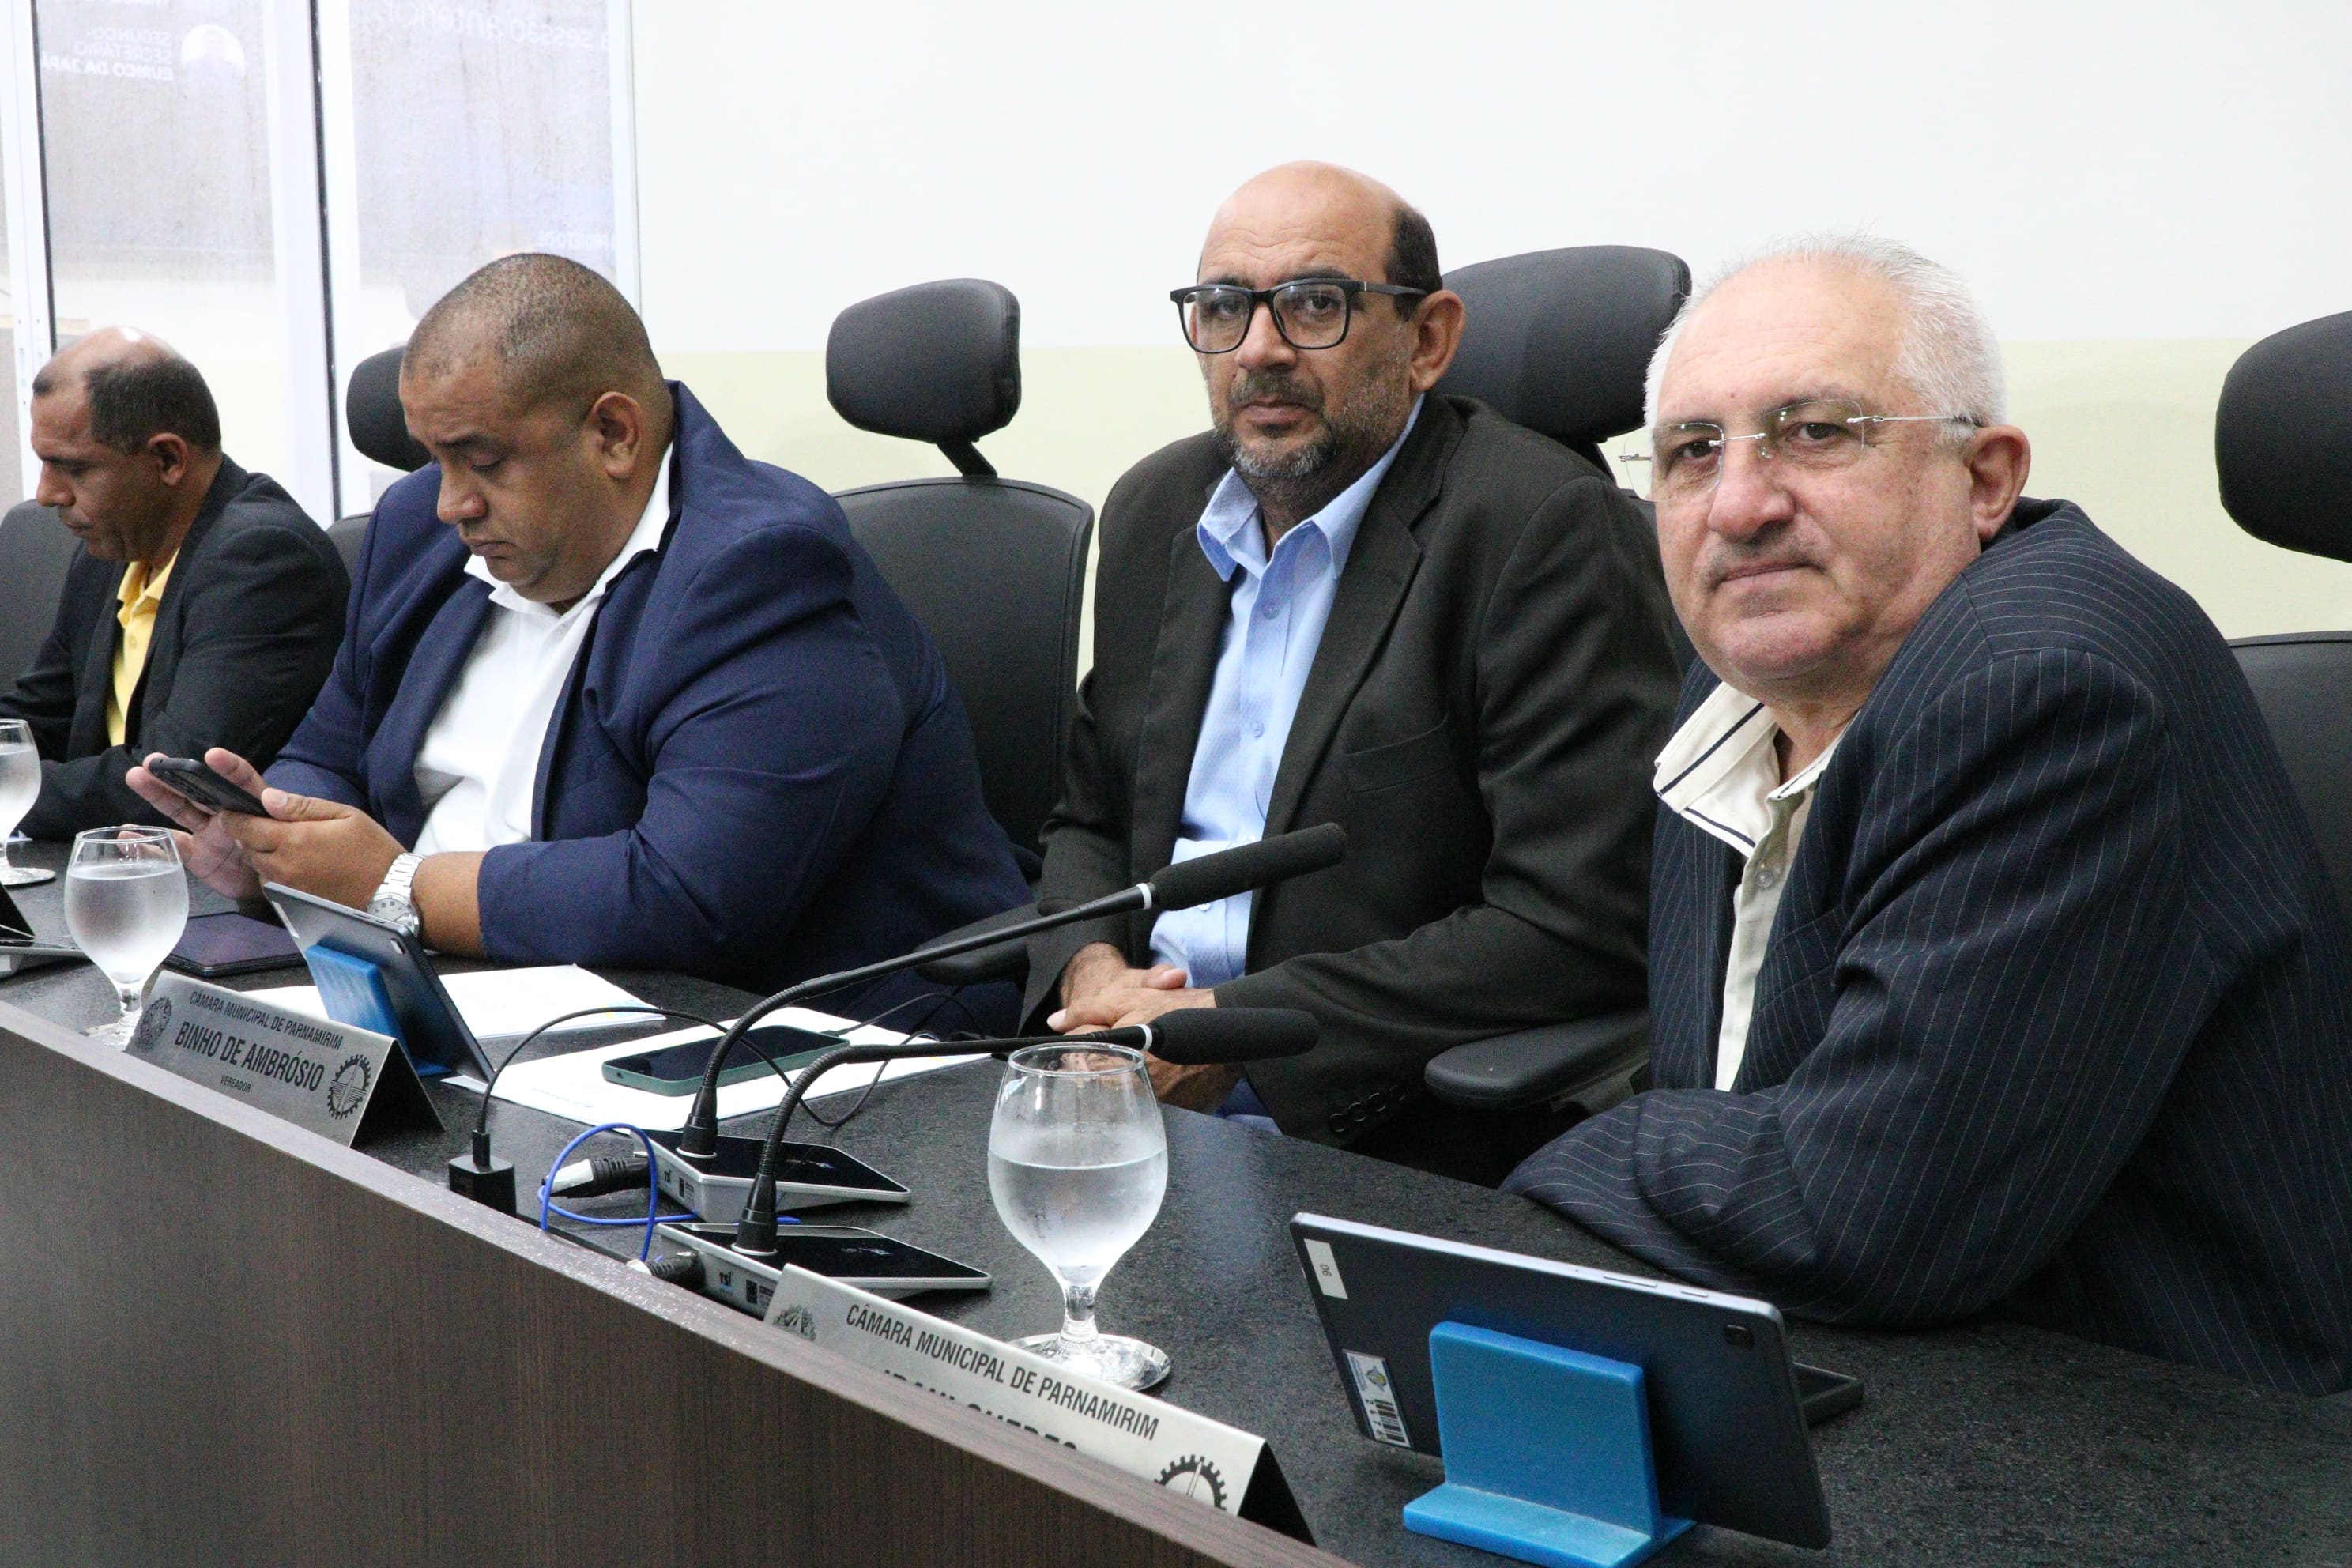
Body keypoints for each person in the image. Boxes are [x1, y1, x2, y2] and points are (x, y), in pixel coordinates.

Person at [1506, 236, 2352, 1394]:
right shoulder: (1752, 667)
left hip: (2143, 1416)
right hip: (1841, 1346)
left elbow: (1861, 1213)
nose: (1739, 506)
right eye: (1693, 452)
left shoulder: (2052, 688)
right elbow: (1739, 1109)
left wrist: (1569, 1150)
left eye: (1816, 431)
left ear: (1986, 478)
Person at [130, 254, 1027, 1016]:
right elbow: (331, 750)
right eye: (435, 459)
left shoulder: (763, 569)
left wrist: (393, 888)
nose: (450, 502)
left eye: (482, 460)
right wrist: (279, 844)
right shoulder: (417, 532)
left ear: (614, 433)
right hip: (463, 995)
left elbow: (687, 898)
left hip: (770, 1045)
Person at [1030, 163, 1682, 1182]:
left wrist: (1233, 1027)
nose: (1259, 349)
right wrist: (1091, 972)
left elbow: (1575, 924)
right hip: (1121, 1094)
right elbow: (1090, 820)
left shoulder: (1538, 528)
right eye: (1223, 306)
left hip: (1361, 1130)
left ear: (1427, 341)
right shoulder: (1156, 509)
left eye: (1314, 304)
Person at [1, 329, 345, 839]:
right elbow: (36, 719)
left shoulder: (264, 559)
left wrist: (11, 788)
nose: (48, 494)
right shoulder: (114, 548)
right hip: (107, 862)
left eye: (73, 468)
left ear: (167, 460)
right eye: (44, 464)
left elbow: (172, 786)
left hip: (203, 877)